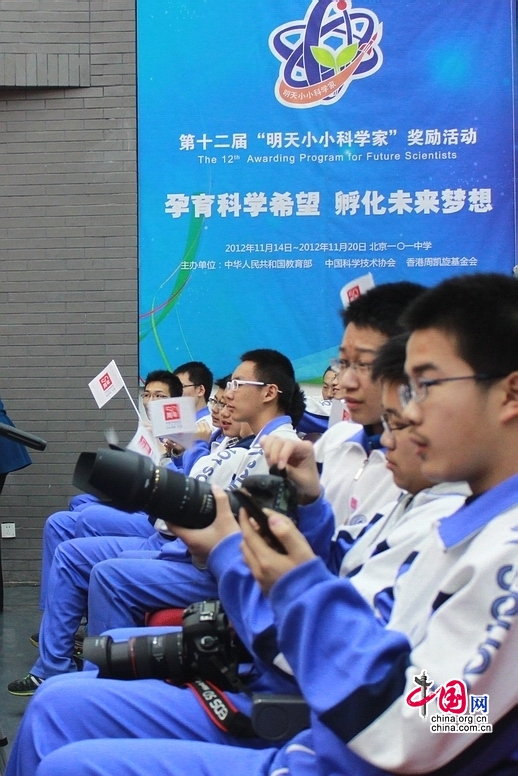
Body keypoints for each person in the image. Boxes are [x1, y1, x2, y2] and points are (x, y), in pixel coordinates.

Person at [8, 349, 304, 695]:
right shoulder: (242, 443)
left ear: (269, 392)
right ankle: (69, 670)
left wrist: (189, 449)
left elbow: (213, 509)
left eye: (238, 384)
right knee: (76, 547)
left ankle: (101, 688)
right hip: (179, 545)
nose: (229, 396)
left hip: (211, 566)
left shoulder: (279, 448)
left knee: (106, 570)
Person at [314, 280, 424, 526]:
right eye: (343, 363)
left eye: (364, 364)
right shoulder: (335, 440)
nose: (346, 382)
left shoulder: (423, 471)